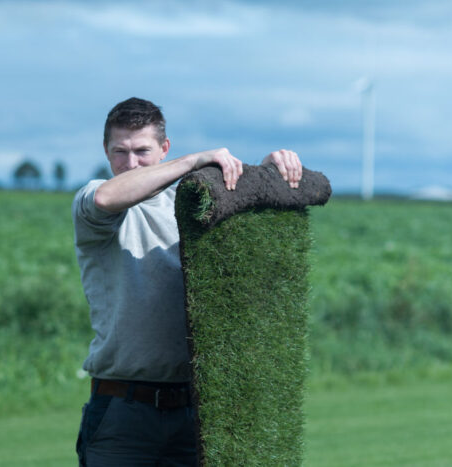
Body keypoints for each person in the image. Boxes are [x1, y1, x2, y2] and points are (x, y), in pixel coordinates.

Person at [72, 97, 302, 466]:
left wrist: (269, 173)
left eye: (142, 151)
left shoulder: (192, 203)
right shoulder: (97, 202)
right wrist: (194, 161)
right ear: (106, 151)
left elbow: (243, 216)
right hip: (122, 411)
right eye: (121, 152)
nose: (131, 163)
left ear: (164, 148)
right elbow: (105, 197)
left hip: (195, 412)